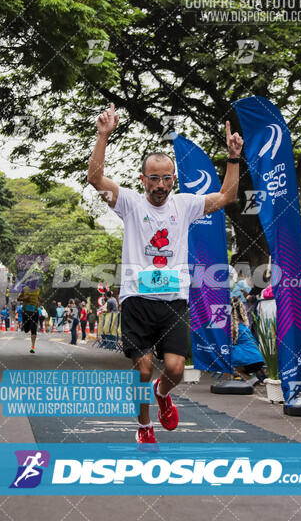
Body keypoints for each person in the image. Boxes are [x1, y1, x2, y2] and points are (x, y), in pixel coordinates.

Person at [87, 102, 243, 444]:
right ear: (143, 179)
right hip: (137, 300)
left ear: (174, 179)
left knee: (173, 369)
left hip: (173, 301)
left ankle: (162, 392)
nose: (160, 184)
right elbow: (95, 177)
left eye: (166, 178)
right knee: (142, 368)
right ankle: (144, 425)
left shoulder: (185, 205)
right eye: (153, 178)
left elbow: (228, 196)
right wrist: (103, 136)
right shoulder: (129, 202)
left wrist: (232, 158)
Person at [18, 281, 40, 353]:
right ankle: (28, 326)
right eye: (32, 282)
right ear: (30, 282)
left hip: (35, 312)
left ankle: (32, 347)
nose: (34, 283)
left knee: (34, 329)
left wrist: (41, 300)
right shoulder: (24, 289)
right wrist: (25, 299)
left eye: (35, 282)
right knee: (26, 329)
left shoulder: (37, 290)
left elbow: (38, 298)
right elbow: (18, 298)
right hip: (26, 312)